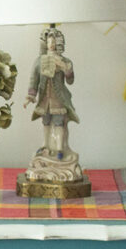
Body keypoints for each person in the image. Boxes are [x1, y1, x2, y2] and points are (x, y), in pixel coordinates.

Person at [23, 26, 79, 161]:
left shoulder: (65, 61)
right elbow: (33, 80)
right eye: (49, 41)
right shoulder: (39, 61)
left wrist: (66, 70)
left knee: (59, 123)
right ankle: (46, 145)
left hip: (58, 99)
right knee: (46, 122)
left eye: (54, 42)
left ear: (58, 43)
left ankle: (60, 148)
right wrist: (30, 96)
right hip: (44, 99)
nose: (51, 44)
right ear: (45, 43)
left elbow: (70, 81)